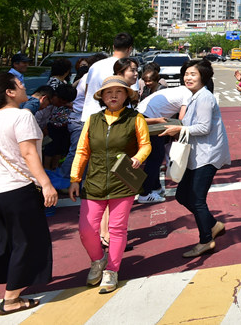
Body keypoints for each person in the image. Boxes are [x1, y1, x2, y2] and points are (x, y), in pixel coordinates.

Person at [69, 76, 150, 294]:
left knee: (117, 228)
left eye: (119, 92)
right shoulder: (93, 120)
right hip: (94, 181)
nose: (113, 95)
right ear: (102, 97)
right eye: (108, 92)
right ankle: (98, 260)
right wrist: (75, 178)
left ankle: (112, 270)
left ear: (126, 96)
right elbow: (82, 151)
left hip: (123, 181)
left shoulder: (135, 118)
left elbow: (145, 145)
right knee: (86, 230)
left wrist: (139, 158)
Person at [0, 73, 57, 315]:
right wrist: (46, 183)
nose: (23, 87)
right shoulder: (22, 116)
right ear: (9, 92)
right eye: (19, 85)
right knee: (26, 242)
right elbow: (29, 154)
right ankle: (11, 300)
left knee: (0, 243)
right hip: (18, 189)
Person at [159, 60, 230, 258]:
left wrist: (179, 129)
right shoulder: (193, 96)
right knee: (182, 195)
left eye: (193, 74)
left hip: (207, 155)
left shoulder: (204, 97)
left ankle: (206, 240)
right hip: (195, 154)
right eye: (186, 74)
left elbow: (204, 128)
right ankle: (213, 224)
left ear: (204, 77)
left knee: (197, 199)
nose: (188, 78)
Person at [60, 33, 135, 180]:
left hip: (88, 116)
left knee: (85, 154)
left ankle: (75, 184)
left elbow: (88, 91)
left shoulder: (95, 65)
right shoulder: (126, 67)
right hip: (110, 120)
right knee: (110, 158)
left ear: (113, 46)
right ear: (130, 49)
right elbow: (132, 96)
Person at [136, 84, 192, 203]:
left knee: (156, 155)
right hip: (150, 119)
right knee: (156, 157)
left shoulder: (180, 90)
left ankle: (156, 187)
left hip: (145, 115)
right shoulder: (189, 94)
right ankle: (144, 193)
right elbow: (182, 118)